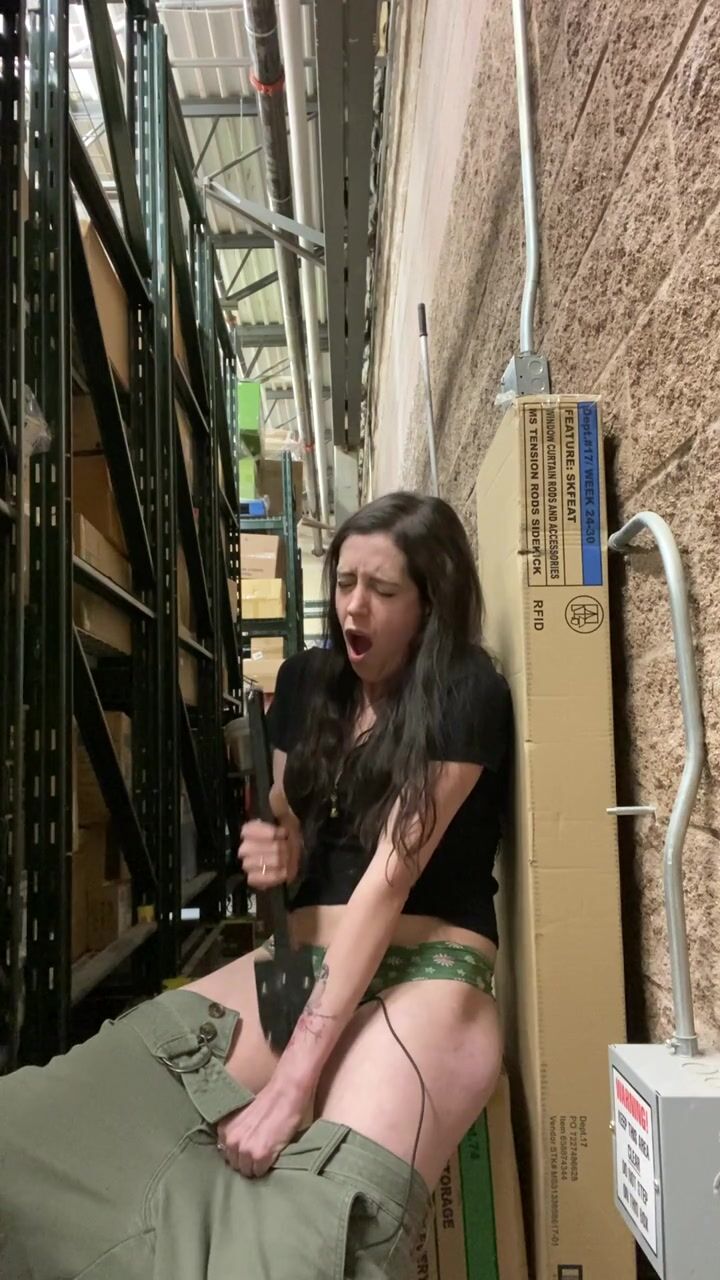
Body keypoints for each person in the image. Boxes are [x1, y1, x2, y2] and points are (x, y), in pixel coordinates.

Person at [0, 492, 512, 1280]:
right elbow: (289, 811)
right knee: (34, 1129)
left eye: (382, 589)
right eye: (345, 582)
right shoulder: (309, 681)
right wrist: (279, 842)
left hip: (426, 975)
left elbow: (387, 882)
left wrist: (293, 1081)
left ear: (430, 602)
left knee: (295, 1248)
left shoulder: (463, 688)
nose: (354, 606)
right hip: (300, 964)